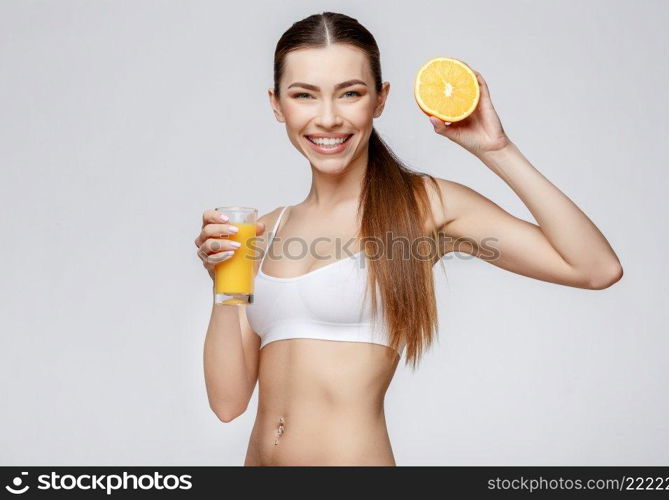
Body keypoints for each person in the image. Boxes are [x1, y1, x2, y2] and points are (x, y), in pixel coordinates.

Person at [194, 11, 623, 466]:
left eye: (351, 94)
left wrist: (497, 150)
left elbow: (596, 268)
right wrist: (225, 281)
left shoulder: (424, 207)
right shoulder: (266, 229)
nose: (328, 118)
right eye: (304, 95)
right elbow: (228, 403)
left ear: (380, 100)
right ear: (277, 103)